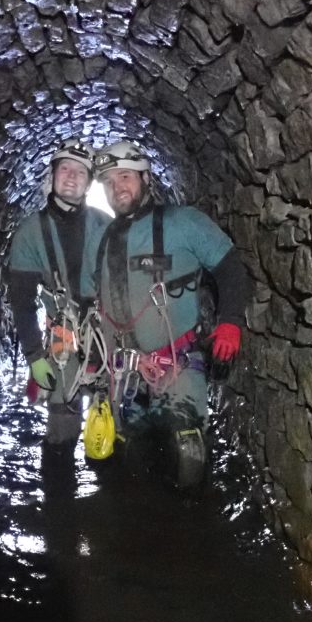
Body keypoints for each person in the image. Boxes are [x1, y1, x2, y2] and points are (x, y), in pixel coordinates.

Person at [83, 140, 247, 487]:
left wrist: (231, 321)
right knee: (128, 472)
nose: (117, 188)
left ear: (145, 178)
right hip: (125, 376)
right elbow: (93, 306)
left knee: (189, 462)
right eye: (109, 182)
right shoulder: (101, 241)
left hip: (179, 367)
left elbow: (231, 267)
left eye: (125, 176)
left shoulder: (184, 223)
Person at [8, 139, 111, 454]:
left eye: (80, 172)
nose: (71, 176)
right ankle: (59, 493)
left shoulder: (106, 225)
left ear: (88, 183)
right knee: (62, 430)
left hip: (106, 336)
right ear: (51, 176)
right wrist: (35, 357)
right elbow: (22, 302)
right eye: (64, 168)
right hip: (63, 338)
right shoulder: (30, 233)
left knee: (111, 423)